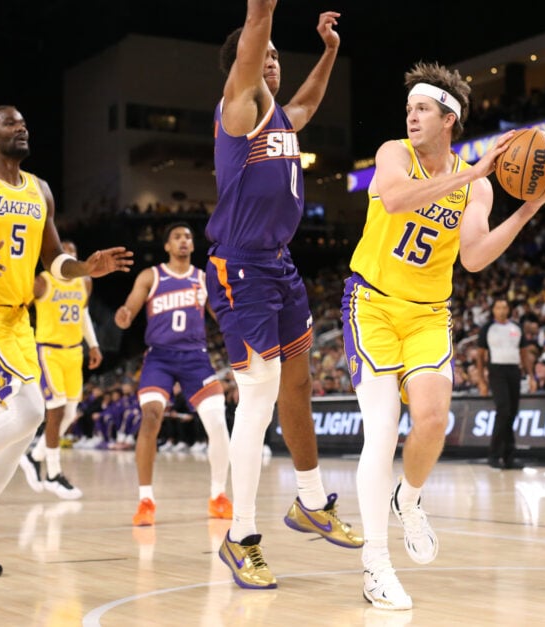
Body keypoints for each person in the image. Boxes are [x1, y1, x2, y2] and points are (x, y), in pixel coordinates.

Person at [342, 60, 545, 610]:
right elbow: (393, 198)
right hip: (372, 306)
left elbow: (477, 257)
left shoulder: (475, 188)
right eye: (409, 108)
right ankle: (375, 565)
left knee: (435, 420)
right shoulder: (394, 153)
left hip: (429, 312)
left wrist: (527, 209)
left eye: (422, 109)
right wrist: (475, 172)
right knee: (383, 432)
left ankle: (408, 499)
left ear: (449, 119)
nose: (410, 116)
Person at [0, 105, 133, 577]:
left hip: (19, 321)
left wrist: (86, 268)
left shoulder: (41, 190)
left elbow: (54, 259)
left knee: (23, 424)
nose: (23, 127)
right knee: (31, 412)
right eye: (11, 122)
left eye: (25, 122)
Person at [208, 1, 363, 590]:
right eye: (265, 55)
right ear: (245, 67)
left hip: (279, 266)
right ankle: (239, 536)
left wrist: (327, 51)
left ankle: (308, 500)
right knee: (259, 393)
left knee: (298, 383)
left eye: (277, 55)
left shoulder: (280, 121)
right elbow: (252, 40)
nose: (272, 60)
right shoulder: (238, 108)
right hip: (240, 270)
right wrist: (262, 13)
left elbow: (308, 102)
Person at [114, 222, 232, 525]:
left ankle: (218, 495)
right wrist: (124, 316)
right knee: (151, 415)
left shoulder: (204, 279)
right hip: (160, 358)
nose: (183, 241)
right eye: (177, 237)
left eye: (188, 237)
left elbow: (221, 316)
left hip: (196, 359)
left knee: (218, 421)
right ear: (167, 245)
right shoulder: (151, 276)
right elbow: (129, 310)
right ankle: (146, 500)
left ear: (193, 246)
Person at [18, 240, 102, 500]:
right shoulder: (42, 282)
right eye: (65, 253)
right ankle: (53, 473)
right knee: (55, 411)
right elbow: (18, 309)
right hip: (49, 351)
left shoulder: (85, 281)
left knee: (70, 412)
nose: (70, 257)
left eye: (74, 253)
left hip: (74, 351)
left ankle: (34, 456)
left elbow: (83, 313)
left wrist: (94, 344)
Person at [477, 298, 527, 470]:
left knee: (512, 413)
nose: (501, 310)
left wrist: (531, 375)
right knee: (503, 410)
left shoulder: (517, 328)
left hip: (514, 370)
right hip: (496, 371)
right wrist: (481, 381)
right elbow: (480, 356)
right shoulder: (487, 329)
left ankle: (509, 457)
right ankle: (494, 454)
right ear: (493, 310)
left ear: (509, 309)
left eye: (504, 307)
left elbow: (524, 351)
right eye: (498, 307)